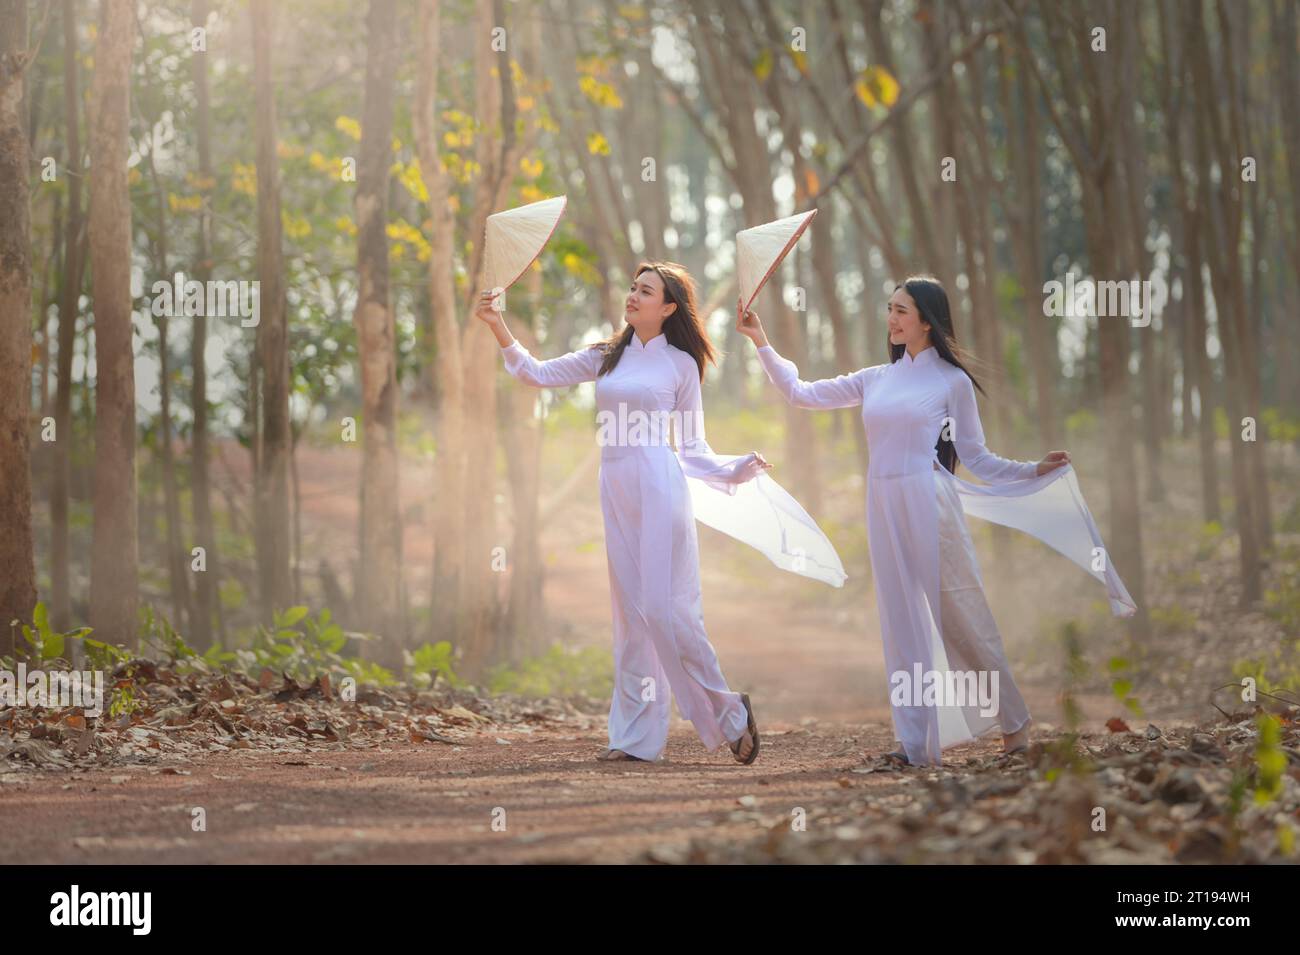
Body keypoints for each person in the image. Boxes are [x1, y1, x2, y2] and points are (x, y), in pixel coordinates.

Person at [739, 275, 1136, 767]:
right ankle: (915, 743)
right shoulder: (875, 379)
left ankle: (1014, 724)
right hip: (883, 503)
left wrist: (1034, 470)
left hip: (930, 501)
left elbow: (976, 457)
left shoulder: (951, 382)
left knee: (960, 617)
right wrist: (761, 341)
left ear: (927, 321)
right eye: (890, 309)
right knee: (901, 620)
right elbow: (801, 393)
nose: (892, 319)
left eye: (902, 311)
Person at [475, 261, 772, 764]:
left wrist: (735, 468)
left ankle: (729, 713)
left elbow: (694, 447)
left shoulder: (681, 364)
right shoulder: (606, 356)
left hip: (659, 484)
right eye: (632, 287)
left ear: (669, 307)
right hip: (615, 486)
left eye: (646, 291)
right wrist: (497, 325)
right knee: (631, 618)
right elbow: (535, 373)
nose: (633, 296)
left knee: (666, 610)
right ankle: (635, 738)